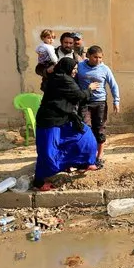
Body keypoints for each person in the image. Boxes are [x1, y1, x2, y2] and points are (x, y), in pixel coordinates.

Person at [33, 57, 101, 191]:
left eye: (76, 69)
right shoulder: (62, 79)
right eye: (74, 69)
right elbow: (80, 96)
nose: (75, 71)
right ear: (67, 68)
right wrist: (89, 88)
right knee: (47, 152)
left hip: (64, 118)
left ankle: (84, 163)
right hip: (50, 120)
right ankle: (39, 182)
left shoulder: (62, 77)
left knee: (85, 136)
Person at [76, 45, 120, 166]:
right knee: (86, 128)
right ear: (88, 56)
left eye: (100, 57)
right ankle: (88, 154)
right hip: (84, 102)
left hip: (100, 102)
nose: (98, 60)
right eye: (95, 57)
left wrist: (116, 101)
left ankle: (99, 156)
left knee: (99, 129)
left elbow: (113, 85)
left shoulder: (104, 69)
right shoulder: (80, 66)